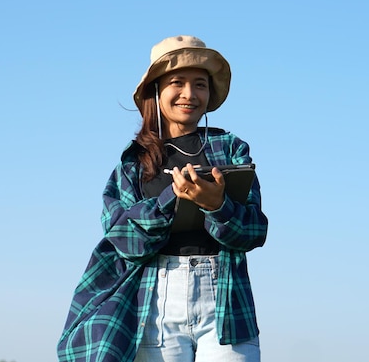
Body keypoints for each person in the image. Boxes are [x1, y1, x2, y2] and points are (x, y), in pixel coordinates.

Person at [57, 35, 268, 362]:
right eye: (177, 83)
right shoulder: (133, 163)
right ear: (156, 90)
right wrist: (172, 197)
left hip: (227, 304)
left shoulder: (231, 149)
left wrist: (218, 206)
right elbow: (124, 239)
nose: (189, 94)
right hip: (155, 301)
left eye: (200, 84)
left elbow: (255, 232)